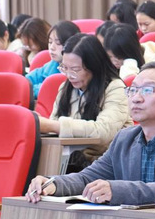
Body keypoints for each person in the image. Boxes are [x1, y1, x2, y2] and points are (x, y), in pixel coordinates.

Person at [26, 62, 155, 207]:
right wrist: (52, 183)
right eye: (132, 90)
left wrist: (115, 189)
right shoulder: (125, 138)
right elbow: (87, 178)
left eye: (147, 90)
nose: (136, 98)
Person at [43, 34, 132, 167]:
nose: (69, 75)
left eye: (75, 70)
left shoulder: (115, 88)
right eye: (64, 68)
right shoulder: (65, 88)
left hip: (106, 164)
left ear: (93, 66)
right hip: (70, 161)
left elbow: (103, 132)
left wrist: (52, 126)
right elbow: (54, 131)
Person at [26, 21, 81, 99]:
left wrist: (33, 89)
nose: (52, 47)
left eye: (58, 43)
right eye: (50, 42)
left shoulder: (78, 70)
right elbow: (24, 82)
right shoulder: (52, 65)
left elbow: (50, 89)